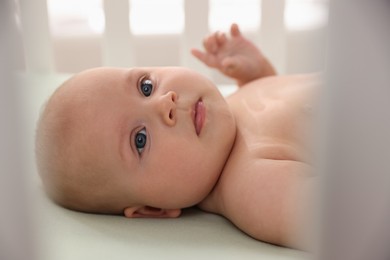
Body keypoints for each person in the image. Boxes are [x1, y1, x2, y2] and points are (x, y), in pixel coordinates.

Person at [35, 24, 318, 250]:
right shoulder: (251, 186)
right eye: (140, 140)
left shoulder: (224, 109)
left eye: (146, 86)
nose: (164, 104)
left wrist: (257, 76)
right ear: (153, 209)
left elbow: (283, 121)